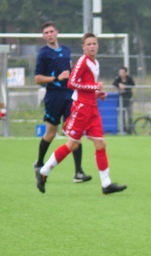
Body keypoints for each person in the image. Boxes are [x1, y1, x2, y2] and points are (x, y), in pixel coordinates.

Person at [35, 33, 127, 195]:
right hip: (81, 109)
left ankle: (106, 184)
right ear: (83, 47)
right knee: (73, 144)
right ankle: (44, 171)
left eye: (94, 43)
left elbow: (88, 85)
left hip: (92, 108)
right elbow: (72, 83)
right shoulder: (82, 62)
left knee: (101, 144)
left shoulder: (95, 62)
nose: (92, 46)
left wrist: (98, 93)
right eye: (89, 44)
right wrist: (94, 87)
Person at [33, 21, 92, 184]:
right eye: (46, 33)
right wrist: (55, 78)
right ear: (43, 36)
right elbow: (37, 78)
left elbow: (71, 72)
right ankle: (39, 163)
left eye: (51, 31)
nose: (49, 34)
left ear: (56, 32)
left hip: (69, 97)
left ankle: (78, 172)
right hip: (53, 96)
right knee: (51, 132)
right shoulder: (43, 53)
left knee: (75, 133)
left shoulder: (66, 51)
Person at [112, 66, 135, 134]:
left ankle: (130, 130)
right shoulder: (118, 79)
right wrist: (119, 84)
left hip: (128, 99)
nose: (121, 73)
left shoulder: (129, 78)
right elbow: (114, 83)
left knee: (130, 115)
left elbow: (133, 85)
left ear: (125, 73)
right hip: (121, 99)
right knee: (122, 115)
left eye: (122, 72)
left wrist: (125, 87)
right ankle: (123, 129)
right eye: (120, 72)